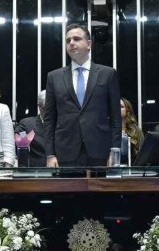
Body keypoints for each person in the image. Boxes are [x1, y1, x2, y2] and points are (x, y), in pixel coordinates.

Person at [44, 24, 121, 167]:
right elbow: (49, 119)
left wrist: (115, 151)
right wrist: (50, 154)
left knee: (99, 189)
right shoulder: (54, 77)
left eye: (76, 39)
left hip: (100, 151)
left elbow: (115, 117)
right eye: (68, 41)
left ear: (89, 44)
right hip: (65, 151)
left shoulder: (107, 74)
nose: (71, 43)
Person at [14, 90, 47, 167]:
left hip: (62, 172)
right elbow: (20, 151)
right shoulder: (27, 125)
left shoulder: (62, 124)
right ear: (40, 107)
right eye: (48, 108)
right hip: (36, 173)